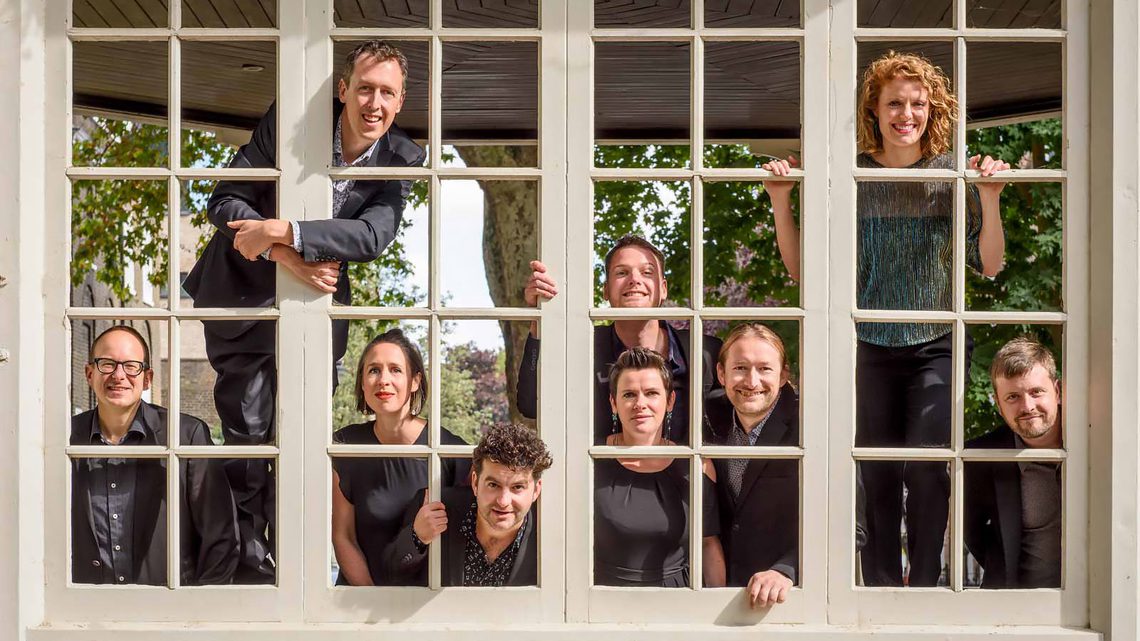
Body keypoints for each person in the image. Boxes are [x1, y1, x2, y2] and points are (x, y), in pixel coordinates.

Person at [763, 51, 1011, 586]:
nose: (906, 113)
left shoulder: (950, 174)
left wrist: (989, 198)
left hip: (937, 341)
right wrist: (781, 202)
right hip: (868, 342)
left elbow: (988, 265)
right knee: (874, 476)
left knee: (926, 469)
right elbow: (809, 271)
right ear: (873, 110)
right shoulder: (847, 175)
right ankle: (876, 590)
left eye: (917, 103)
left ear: (932, 110)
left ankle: (921, 587)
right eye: (894, 102)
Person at [182, 40, 426, 582]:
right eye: (365, 88)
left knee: (303, 438)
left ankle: (295, 566)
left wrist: (287, 229)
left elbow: (371, 234)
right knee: (249, 438)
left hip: (316, 313)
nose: (374, 103)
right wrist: (281, 251)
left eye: (387, 92)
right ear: (343, 90)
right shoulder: (289, 125)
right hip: (243, 300)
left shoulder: (403, 157)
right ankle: (245, 568)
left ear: (400, 100)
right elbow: (224, 198)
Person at [517, 234, 728, 445]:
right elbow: (530, 404)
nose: (634, 280)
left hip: (688, 477)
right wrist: (539, 316)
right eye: (622, 272)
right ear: (606, 290)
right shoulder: (583, 346)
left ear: (663, 288)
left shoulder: (705, 352)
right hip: (600, 476)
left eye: (647, 272)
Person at [71, 325, 239, 586]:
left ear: (147, 378)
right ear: (89, 373)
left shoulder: (185, 435)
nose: (118, 375)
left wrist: (199, 612)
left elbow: (221, 537)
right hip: (84, 611)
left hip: (168, 611)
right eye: (107, 364)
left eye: (131, 366)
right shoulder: (64, 438)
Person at [331, 328, 471, 586]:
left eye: (395, 369)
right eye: (373, 370)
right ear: (362, 382)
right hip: (359, 601)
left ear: (415, 380)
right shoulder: (346, 445)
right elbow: (343, 536)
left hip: (425, 605)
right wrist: (371, 600)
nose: (383, 380)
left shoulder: (449, 450)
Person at [594, 347, 726, 588]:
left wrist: (717, 614)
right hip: (602, 601)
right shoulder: (590, 460)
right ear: (613, 403)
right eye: (629, 395)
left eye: (651, 393)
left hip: (675, 602)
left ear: (670, 401)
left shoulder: (697, 465)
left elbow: (708, 544)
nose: (640, 404)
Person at [385, 423, 552, 586]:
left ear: (536, 490)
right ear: (475, 482)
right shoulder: (436, 506)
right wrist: (417, 537)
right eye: (493, 485)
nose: (503, 501)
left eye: (517, 487)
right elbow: (389, 575)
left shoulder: (550, 535)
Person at [706, 323, 798, 607]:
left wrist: (787, 570)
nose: (752, 381)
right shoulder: (706, 418)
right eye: (740, 368)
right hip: (718, 599)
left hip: (787, 599)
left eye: (765, 369)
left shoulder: (812, 428)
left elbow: (852, 527)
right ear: (721, 373)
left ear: (783, 375)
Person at [964, 337, 1063, 588]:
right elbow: (971, 532)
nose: (1027, 406)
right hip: (1016, 607)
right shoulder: (981, 456)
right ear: (998, 405)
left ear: (1058, 391)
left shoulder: (1097, 445)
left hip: (1096, 606)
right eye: (1013, 397)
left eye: (1036, 392)